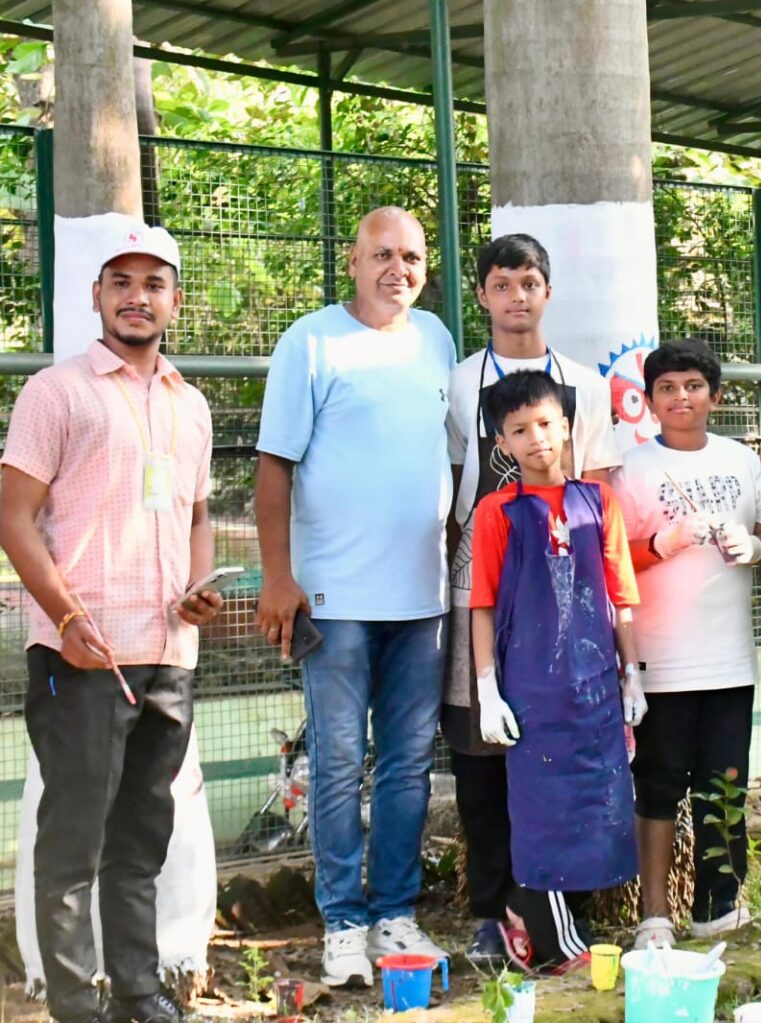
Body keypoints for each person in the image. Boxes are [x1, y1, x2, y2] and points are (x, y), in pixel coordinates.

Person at [0, 224, 221, 1023]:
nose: (137, 296)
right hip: (81, 657)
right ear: (95, 295)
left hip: (168, 654)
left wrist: (199, 589)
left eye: (153, 282)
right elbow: (14, 517)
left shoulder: (189, 404)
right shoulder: (56, 392)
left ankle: (138, 991)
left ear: (175, 299)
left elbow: (197, 513)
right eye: (120, 281)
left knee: (140, 842)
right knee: (73, 844)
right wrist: (64, 615)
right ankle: (74, 1003)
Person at [254, 207, 455, 987]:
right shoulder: (310, 340)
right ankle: (342, 919)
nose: (396, 268)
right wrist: (279, 576)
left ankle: (394, 913)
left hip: (424, 598)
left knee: (406, 763)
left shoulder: (436, 337)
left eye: (410, 256)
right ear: (352, 259)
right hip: (333, 599)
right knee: (338, 763)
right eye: (381, 253)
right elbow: (274, 466)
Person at [444, 233, 621, 967]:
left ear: (548, 291)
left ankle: (559, 910)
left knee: (566, 749)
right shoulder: (456, 381)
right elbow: (451, 482)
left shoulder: (583, 380)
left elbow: (602, 484)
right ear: (482, 294)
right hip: (477, 585)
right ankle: (494, 909)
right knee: (482, 748)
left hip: (567, 603)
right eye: (502, 283)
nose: (518, 296)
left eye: (530, 282)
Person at [468, 370, 644, 971]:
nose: (536, 438)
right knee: (540, 807)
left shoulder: (598, 501)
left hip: (596, 688)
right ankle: (550, 938)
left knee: (597, 804)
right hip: (532, 690)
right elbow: (483, 604)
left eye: (545, 424)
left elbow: (621, 593)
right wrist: (488, 690)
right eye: (520, 430)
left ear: (567, 429)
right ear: (502, 444)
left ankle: (543, 914)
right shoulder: (497, 512)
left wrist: (632, 674)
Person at [614, 340, 761, 950]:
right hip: (659, 662)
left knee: (725, 783)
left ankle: (719, 906)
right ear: (650, 401)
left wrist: (755, 547)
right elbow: (611, 560)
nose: (680, 397)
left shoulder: (741, 460)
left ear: (714, 395)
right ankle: (655, 914)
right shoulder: (630, 468)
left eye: (692, 385)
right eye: (667, 388)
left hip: (729, 658)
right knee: (657, 785)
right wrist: (659, 543)